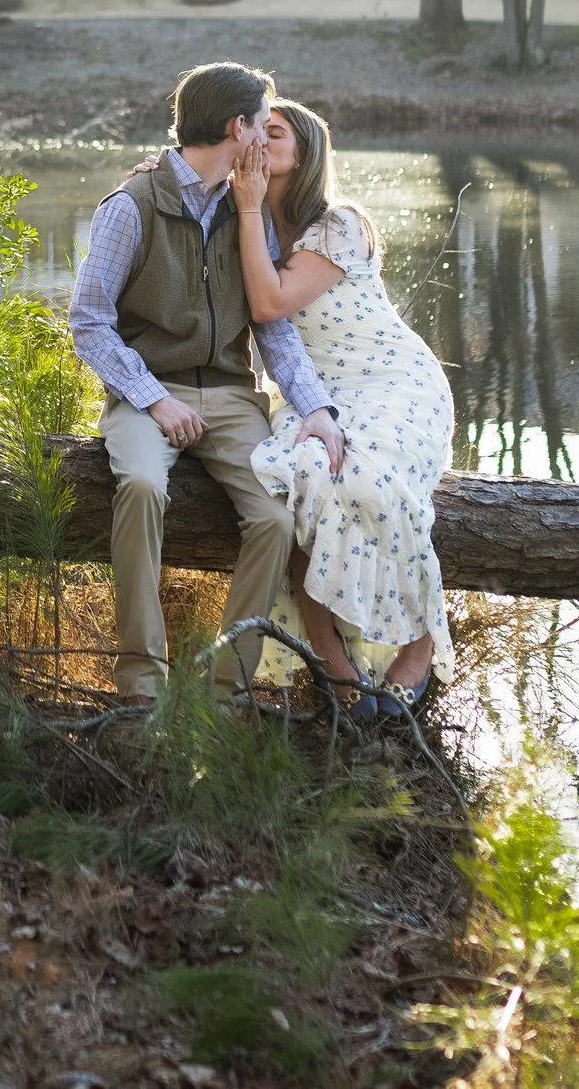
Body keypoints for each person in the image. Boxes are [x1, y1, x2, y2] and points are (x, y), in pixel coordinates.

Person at [68, 63, 347, 703]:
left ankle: (228, 692)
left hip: (230, 397)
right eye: (262, 123)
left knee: (275, 518)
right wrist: (153, 399)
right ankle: (142, 683)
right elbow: (88, 323)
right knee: (140, 485)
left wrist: (315, 409)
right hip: (147, 392)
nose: (265, 137)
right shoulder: (131, 206)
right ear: (236, 127)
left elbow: (271, 325)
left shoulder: (249, 212)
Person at [234, 100, 454, 717]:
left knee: (368, 478)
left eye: (273, 133)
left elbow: (272, 302)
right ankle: (334, 666)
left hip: (394, 382)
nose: (258, 138)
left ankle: (418, 648)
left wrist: (248, 206)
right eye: (251, 129)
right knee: (303, 478)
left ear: (305, 153)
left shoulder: (338, 224)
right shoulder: (240, 220)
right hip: (316, 392)